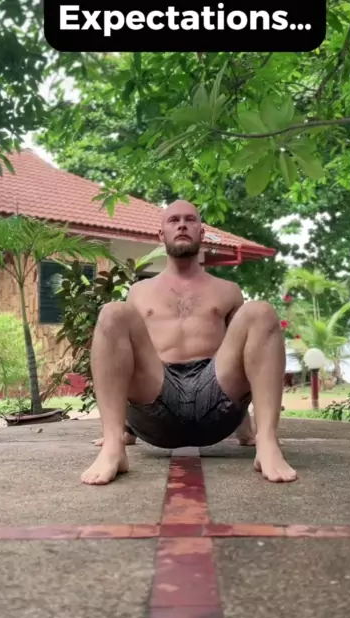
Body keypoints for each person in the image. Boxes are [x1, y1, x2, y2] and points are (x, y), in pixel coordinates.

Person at [81, 200, 297, 486]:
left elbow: (247, 359)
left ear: (202, 232)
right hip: (158, 401)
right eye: (173, 220)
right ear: (161, 235)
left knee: (261, 312)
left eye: (190, 220)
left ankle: (267, 442)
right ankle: (113, 448)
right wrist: (123, 429)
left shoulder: (228, 290)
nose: (182, 225)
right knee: (112, 313)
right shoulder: (139, 291)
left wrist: (246, 430)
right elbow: (128, 362)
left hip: (216, 402)